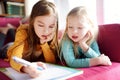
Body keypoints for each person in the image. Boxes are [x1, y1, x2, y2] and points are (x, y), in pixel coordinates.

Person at [6, 0, 59, 78]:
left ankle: (10, 29)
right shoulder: (23, 32)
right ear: (32, 22)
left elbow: (51, 61)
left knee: (12, 33)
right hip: (8, 48)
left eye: (51, 26)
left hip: (27, 50)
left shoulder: (52, 33)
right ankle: (5, 30)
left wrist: (43, 43)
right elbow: (14, 58)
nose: (46, 31)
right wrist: (26, 69)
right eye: (41, 25)